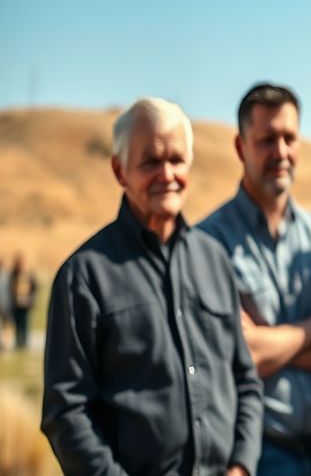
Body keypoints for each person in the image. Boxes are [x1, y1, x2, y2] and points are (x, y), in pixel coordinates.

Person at [41, 97, 262, 475]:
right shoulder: (84, 277)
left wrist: (241, 466)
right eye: (150, 162)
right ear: (119, 170)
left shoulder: (215, 260)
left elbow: (246, 382)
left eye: (176, 160)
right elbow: (66, 411)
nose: (167, 174)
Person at [199, 83, 311, 474]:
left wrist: (270, 342)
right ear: (239, 146)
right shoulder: (208, 244)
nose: (280, 152)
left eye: (288, 138)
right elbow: (235, 355)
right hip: (260, 457)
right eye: (266, 139)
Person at [8, 253, 36, 349]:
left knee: (25, 323)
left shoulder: (28, 274)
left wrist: (31, 299)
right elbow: (10, 288)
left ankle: (24, 342)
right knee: (17, 323)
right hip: (16, 304)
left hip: (25, 304)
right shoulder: (13, 274)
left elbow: (34, 287)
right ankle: (18, 342)